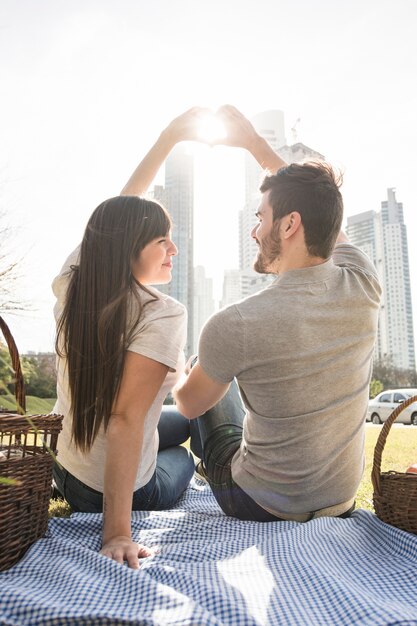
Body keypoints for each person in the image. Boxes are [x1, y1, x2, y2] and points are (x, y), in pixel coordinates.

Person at [174, 105, 382, 523]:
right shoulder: (363, 282)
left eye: (261, 218)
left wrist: (181, 369)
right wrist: (256, 145)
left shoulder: (236, 322)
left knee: (201, 367)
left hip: (259, 504)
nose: (254, 231)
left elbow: (188, 406)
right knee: (224, 367)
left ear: (288, 226)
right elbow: (323, 216)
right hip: (340, 501)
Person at [52, 107, 210, 569]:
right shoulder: (162, 312)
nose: (173, 249)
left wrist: (168, 138)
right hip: (110, 492)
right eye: (162, 240)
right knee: (182, 449)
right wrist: (118, 533)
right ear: (127, 247)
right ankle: (227, 467)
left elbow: (116, 214)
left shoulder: (74, 282)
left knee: (178, 420)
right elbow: (123, 420)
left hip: (68, 468)